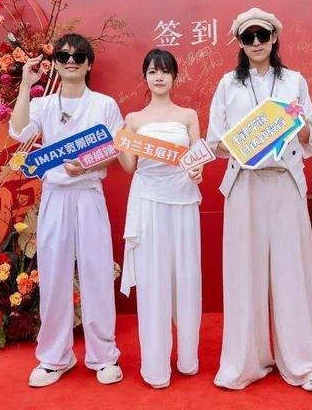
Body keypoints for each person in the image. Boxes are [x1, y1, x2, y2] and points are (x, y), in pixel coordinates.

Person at [207, 7, 312, 391]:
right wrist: (247, 144)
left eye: (263, 35)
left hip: (285, 182)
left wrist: (297, 121)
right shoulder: (228, 84)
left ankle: (305, 363)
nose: (257, 42)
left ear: (274, 38)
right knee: (243, 271)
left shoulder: (294, 81)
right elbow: (215, 141)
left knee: (293, 270)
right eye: (249, 37)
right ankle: (245, 362)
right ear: (240, 43)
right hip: (244, 183)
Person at [9, 33, 123, 387]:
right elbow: (18, 132)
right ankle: (54, 357)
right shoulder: (43, 105)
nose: (71, 61)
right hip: (55, 196)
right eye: (63, 56)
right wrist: (26, 85)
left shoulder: (104, 104)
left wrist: (89, 164)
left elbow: (117, 147)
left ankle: (103, 355)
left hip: (89, 194)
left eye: (78, 56)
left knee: (97, 272)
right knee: (54, 275)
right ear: (55, 63)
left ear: (89, 64)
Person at [119, 49, 203, 389]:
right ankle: (155, 366)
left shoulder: (188, 116)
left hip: (183, 202)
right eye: (153, 71)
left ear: (174, 77)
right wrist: (121, 144)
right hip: (149, 203)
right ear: (145, 76)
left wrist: (197, 172)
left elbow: (198, 159)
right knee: (153, 281)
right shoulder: (133, 119)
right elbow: (129, 166)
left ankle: (188, 359)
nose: (159, 77)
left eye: (165, 71)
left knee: (186, 276)